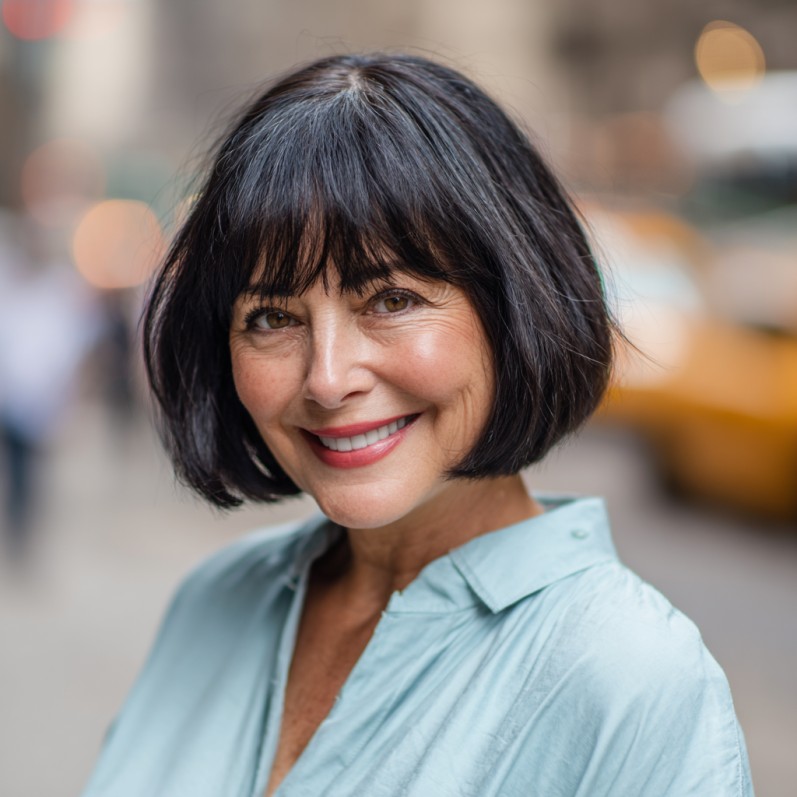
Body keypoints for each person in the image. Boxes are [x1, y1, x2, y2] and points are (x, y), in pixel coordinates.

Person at [81, 53, 753, 796]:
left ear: (511, 302)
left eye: (391, 300)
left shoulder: (623, 673)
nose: (328, 378)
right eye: (272, 317)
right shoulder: (216, 597)